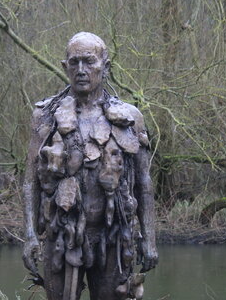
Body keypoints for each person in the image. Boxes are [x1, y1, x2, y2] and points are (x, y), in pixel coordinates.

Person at [22, 32, 158, 300]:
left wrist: (149, 239)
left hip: (113, 238)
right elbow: (30, 181)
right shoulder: (45, 116)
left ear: (105, 67)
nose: (81, 70)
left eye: (89, 62)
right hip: (60, 235)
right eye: (74, 63)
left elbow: (144, 183)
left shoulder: (130, 118)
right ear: (65, 67)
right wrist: (29, 236)